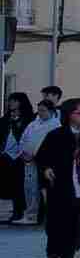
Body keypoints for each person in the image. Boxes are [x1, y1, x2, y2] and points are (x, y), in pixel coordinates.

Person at [34, 98, 80, 258]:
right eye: (79, 113)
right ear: (69, 115)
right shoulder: (55, 135)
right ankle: (53, 254)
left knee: (77, 222)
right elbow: (42, 157)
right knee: (56, 222)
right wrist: (46, 169)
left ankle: (69, 256)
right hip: (59, 186)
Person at [17, 96, 60, 225]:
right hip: (28, 160)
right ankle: (30, 213)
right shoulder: (33, 123)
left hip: (45, 162)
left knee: (43, 189)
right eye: (39, 110)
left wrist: (36, 155)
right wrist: (23, 152)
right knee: (29, 187)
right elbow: (23, 139)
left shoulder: (55, 126)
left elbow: (50, 145)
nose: (40, 113)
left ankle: (42, 215)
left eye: (43, 110)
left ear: (51, 111)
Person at [2, 91, 32, 223]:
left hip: (20, 156)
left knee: (18, 185)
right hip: (5, 154)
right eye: (9, 101)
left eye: (13, 101)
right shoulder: (6, 119)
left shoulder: (28, 119)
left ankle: (18, 212)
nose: (10, 103)